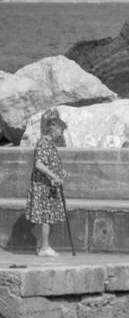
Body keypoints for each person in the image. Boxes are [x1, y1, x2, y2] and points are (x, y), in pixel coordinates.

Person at [26, 110, 67, 258]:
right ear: (54, 129)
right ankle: (44, 248)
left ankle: (43, 245)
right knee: (46, 218)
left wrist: (60, 172)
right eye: (61, 130)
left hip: (49, 186)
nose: (61, 133)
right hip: (44, 187)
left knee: (47, 217)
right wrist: (54, 175)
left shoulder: (48, 144)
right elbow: (39, 164)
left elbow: (49, 163)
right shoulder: (43, 143)